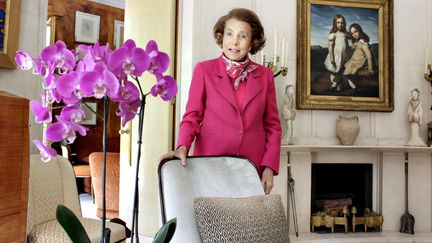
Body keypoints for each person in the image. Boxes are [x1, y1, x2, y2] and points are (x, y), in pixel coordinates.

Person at [159, 8, 282, 194]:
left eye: (242, 36)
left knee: (245, 221)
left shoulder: (265, 76)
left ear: (251, 43)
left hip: (250, 168)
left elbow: (272, 126)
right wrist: (182, 146)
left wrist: (269, 167)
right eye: (229, 34)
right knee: (212, 221)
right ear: (221, 37)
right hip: (210, 165)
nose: (234, 41)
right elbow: (192, 117)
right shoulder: (204, 70)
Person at [343, 23, 374, 90]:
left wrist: (370, 69)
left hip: (359, 62)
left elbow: (369, 56)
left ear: (359, 30)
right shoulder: (357, 41)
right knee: (346, 64)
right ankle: (348, 81)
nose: (354, 34)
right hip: (354, 60)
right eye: (352, 33)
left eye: (355, 31)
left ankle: (349, 82)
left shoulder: (364, 43)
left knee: (349, 67)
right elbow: (350, 36)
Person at [323, 15, 348, 91]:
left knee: (340, 70)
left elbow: (347, 43)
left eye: (342, 23)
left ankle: (337, 83)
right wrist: (331, 57)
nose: (340, 25)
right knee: (334, 69)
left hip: (344, 55)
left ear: (344, 24)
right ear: (335, 23)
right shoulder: (333, 35)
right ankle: (333, 83)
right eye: (338, 22)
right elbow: (330, 46)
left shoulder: (345, 34)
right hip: (336, 55)